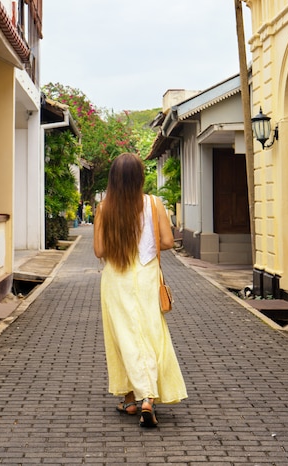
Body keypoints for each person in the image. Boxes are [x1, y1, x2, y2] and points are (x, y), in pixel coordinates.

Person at [93, 152, 187, 428]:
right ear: (140, 178)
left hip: (116, 279)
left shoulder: (103, 208)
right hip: (146, 276)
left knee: (123, 336)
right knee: (150, 334)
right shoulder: (154, 203)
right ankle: (145, 398)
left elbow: (99, 250)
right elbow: (168, 241)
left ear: (112, 178)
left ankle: (137, 398)